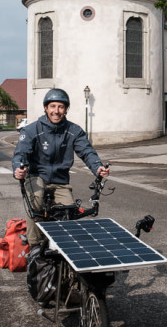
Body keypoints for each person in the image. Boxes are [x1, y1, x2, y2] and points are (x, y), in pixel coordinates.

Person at [11, 88, 110, 247]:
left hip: (60, 181)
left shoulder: (74, 131)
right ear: (46, 108)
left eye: (61, 107)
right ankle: (34, 246)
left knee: (68, 212)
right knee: (35, 204)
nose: (56, 111)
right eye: (53, 106)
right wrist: (18, 169)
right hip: (36, 176)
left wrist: (97, 167)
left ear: (66, 109)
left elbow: (86, 151)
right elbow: (21, 153)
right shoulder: (31, 130)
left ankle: (62, 247)